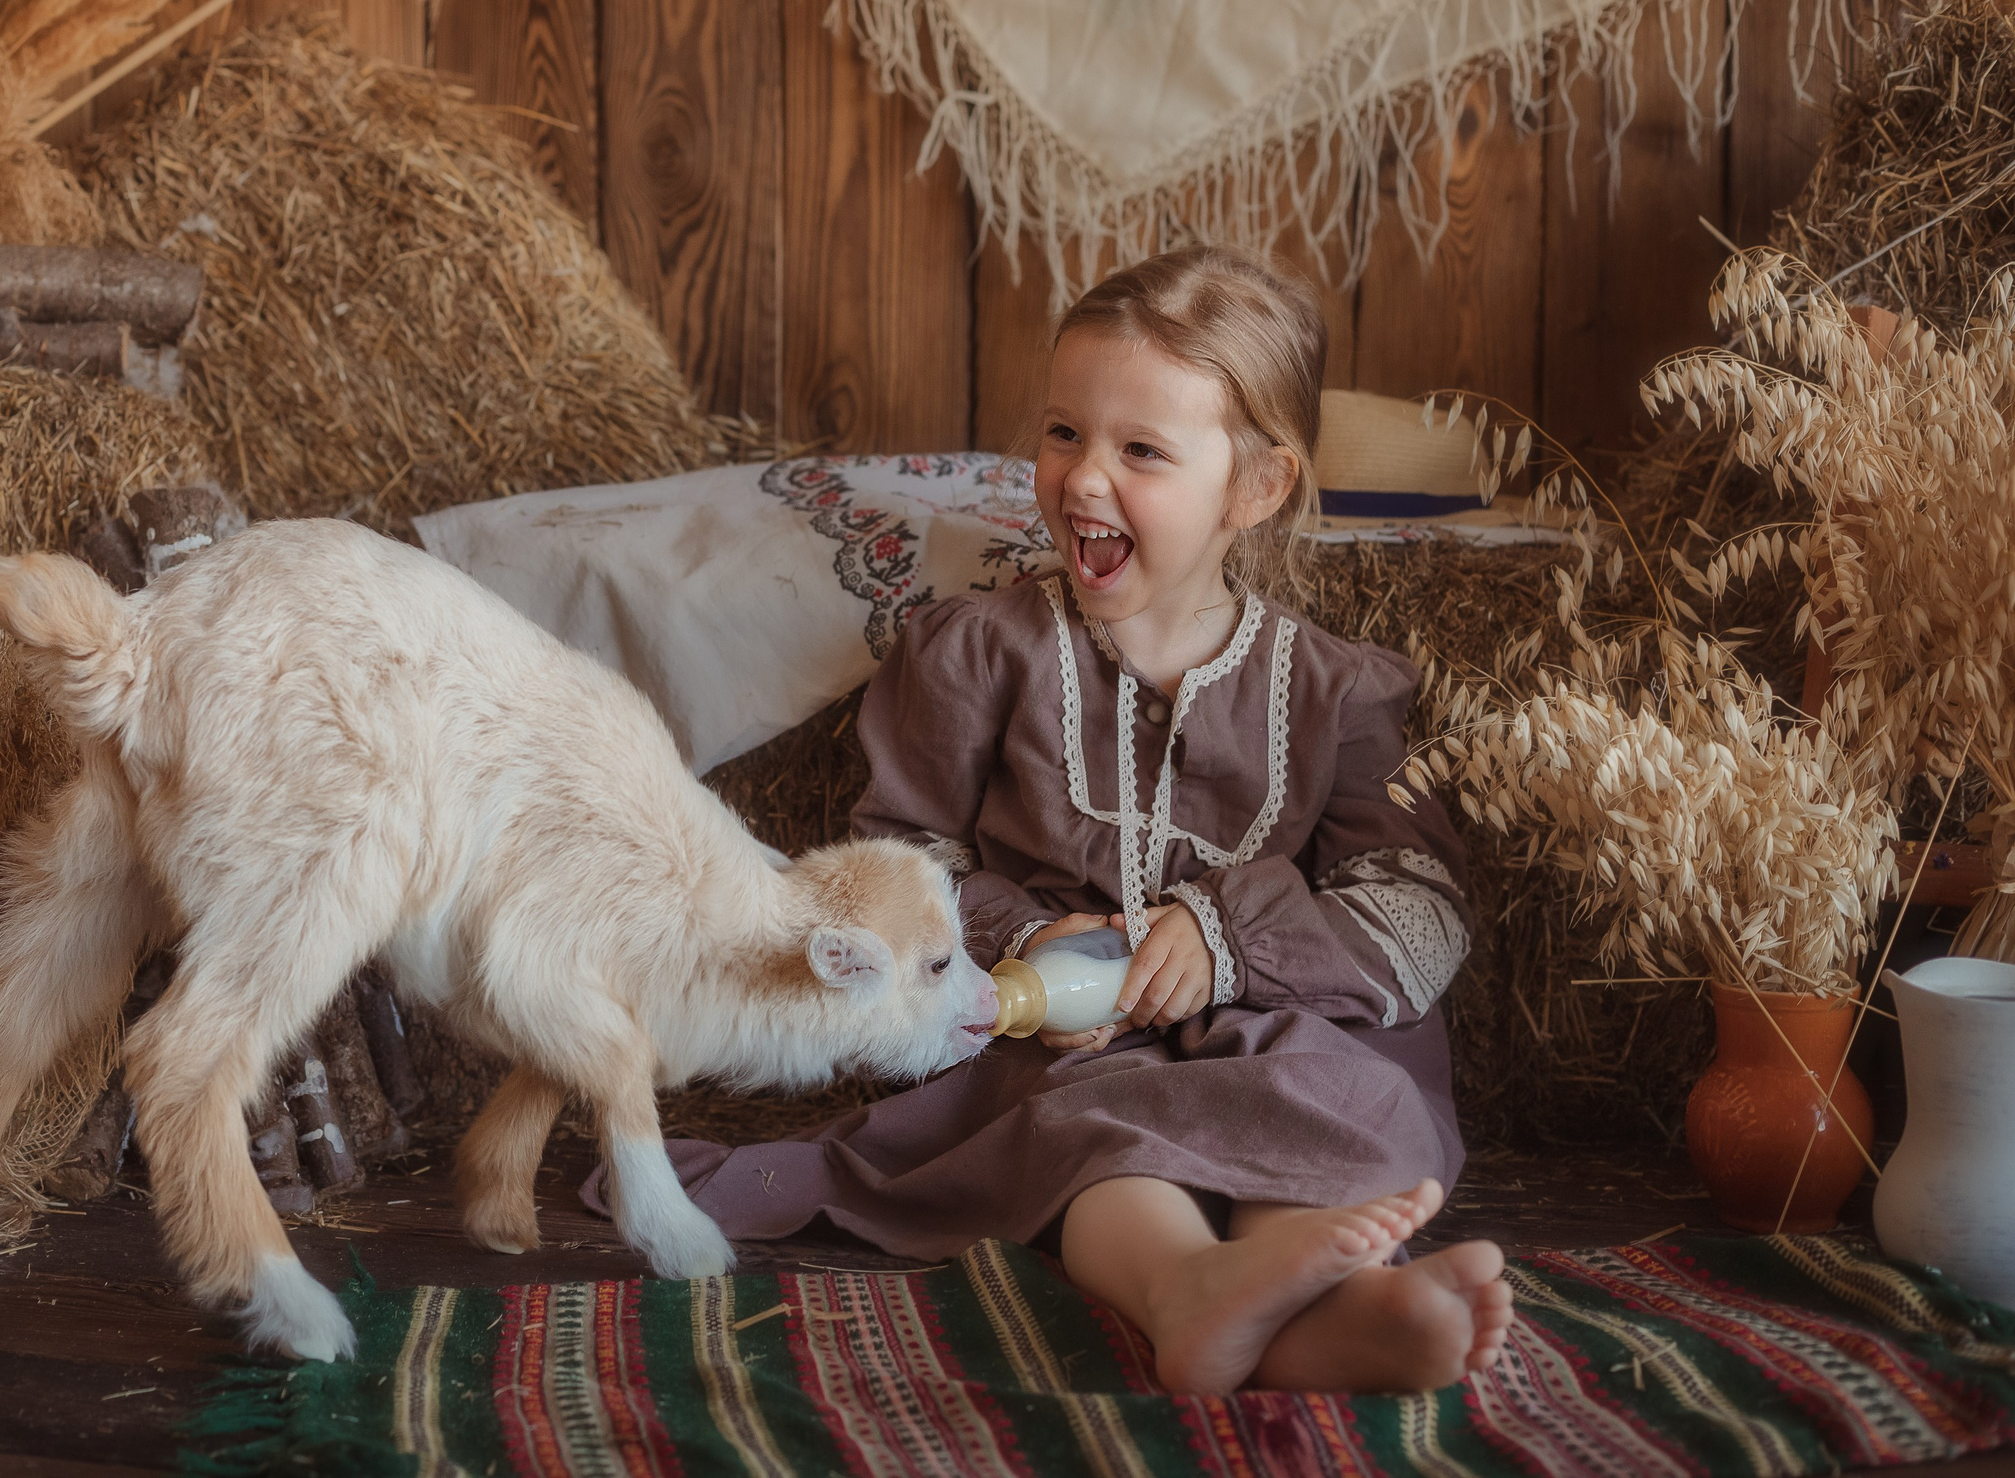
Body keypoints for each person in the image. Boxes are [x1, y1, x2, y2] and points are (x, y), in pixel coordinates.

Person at [634, 246, 1514, 1394]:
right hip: (1059, 1032)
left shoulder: (1338, 693)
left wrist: (1228, 939)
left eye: (1140, 451)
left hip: (1275, 1017)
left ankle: (1315, 1305)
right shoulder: (978, 652)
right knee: (1096, 1134)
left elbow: (1416, 909)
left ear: (1256, 487)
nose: (1083, 478)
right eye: (1063, 434)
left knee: (1349, 1099)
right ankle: (1186, 1289)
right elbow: (905, 856)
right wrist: (1012, 941)